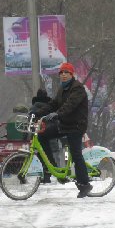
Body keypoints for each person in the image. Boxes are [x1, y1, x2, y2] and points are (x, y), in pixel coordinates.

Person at [39, 62, 93, 198]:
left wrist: (57, 114)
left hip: (76, 126)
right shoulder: (62, 89)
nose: (63, 75)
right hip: (64, 124)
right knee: (42, 135)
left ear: (72, 74)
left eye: (66, 72)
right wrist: (38, 112)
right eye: (61, 73)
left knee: (75, 155)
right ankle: (51, 166)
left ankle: (85, 185)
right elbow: (53, 104)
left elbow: (70, 105)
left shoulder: (78, 88)